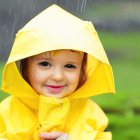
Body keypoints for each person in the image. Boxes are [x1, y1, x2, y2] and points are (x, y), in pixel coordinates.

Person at [0, 4, 115, 140]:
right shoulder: (5, 114)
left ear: (82, 70)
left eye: (70, 66)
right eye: (45, 64)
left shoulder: (93, 116)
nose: (57, 76)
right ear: (25, 66)